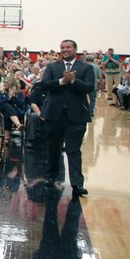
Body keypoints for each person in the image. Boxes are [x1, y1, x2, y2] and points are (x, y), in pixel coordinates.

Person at [38, 39, 95, 198]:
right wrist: (62, 81)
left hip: (76, 116)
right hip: (54, 115)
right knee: (53, 148)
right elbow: (45, 85)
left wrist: (73, 81)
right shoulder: (52, 67)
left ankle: (77, 184)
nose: (65, 50)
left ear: (75, 49)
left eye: (68, 47)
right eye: (62, 47)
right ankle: (51, 176)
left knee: (74, 150)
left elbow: (89, 87)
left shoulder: (86, 67)